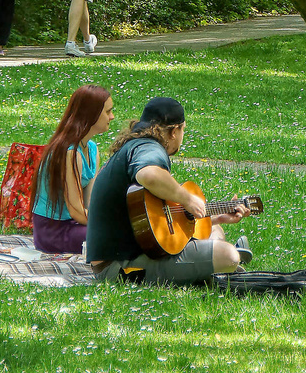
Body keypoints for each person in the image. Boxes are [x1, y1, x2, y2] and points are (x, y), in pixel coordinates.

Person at [86, 97, 252, 285]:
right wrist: (186, 198)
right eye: (183, 130)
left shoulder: (133, 147)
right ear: (174, 131)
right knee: (228, 255)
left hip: (129, 253)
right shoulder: (149, 149)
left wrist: (217, 216)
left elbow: (155, 222)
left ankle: (212, 261)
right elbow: (148, 174)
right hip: (121, 268)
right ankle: (226, 260)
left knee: (214, 227)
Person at [31, 84, 114, 254]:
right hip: (53, 230)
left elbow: (89, 203)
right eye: (107, 112)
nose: (112, 117)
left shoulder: (92, 149)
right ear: (91, 114)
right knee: (114, 237)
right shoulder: (70, 153)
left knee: (120, 235)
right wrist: (108, 224)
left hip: (73, 224)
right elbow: (76, 210)